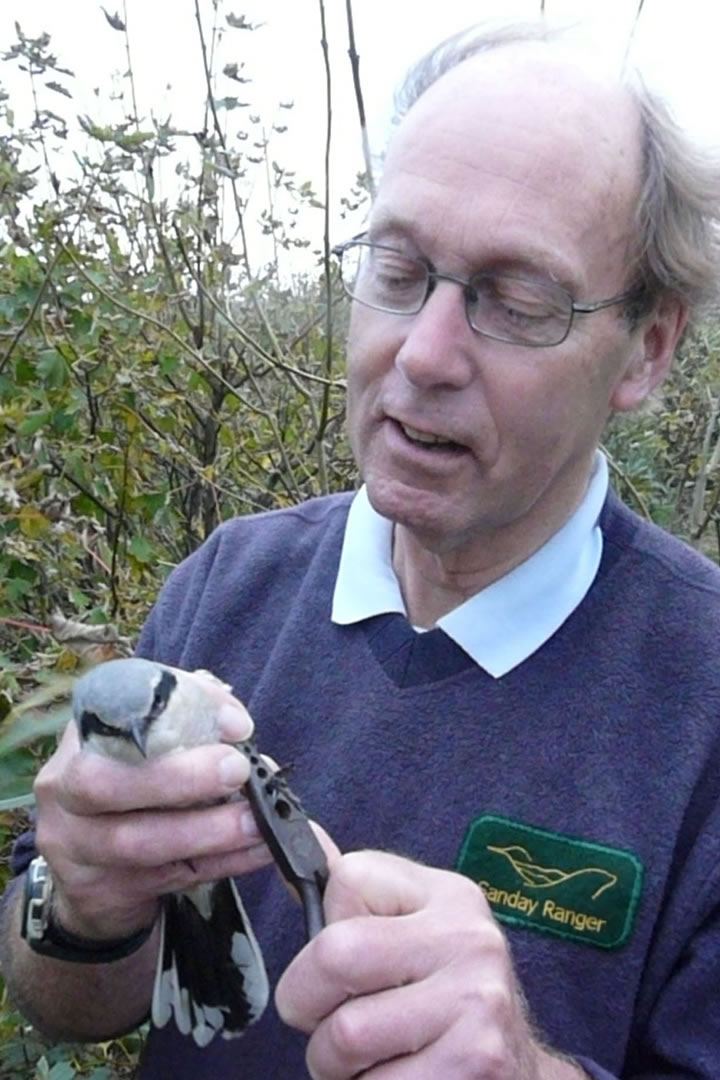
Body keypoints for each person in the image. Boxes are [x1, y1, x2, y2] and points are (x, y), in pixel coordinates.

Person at [3, 18, 720, 1080]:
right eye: (397, 270)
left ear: (646, 350)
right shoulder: (228, 585)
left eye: (515, 302)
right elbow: (71, 1005)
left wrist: (525, 1070)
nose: (422, 353)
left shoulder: (702, 697)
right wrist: (85, 903)